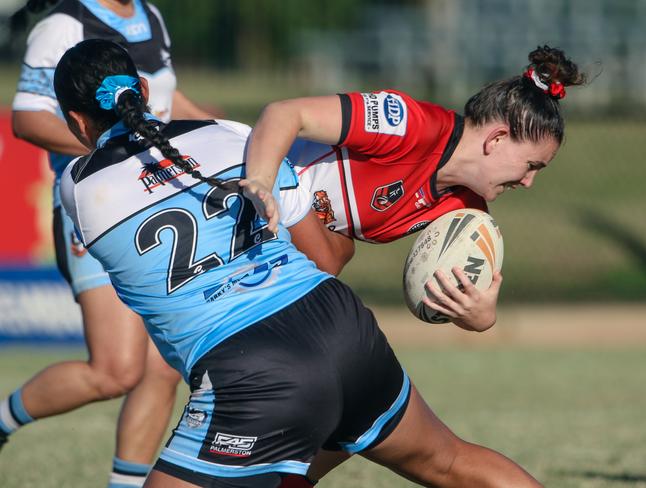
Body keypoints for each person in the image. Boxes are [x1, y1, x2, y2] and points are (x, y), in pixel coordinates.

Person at [55, 38, 543, 488]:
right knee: (449, 461)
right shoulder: (230, 136)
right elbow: (326, 257)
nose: (528, 183)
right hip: (342, 326)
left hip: (251, 367)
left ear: (76, 122)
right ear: (143, 89)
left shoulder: (77, 187)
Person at [0, 1, 214, 486]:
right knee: (115, 371)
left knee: (162, 368)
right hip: (94, 208)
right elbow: (27, 119)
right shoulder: (65, 25)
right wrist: (113, 155)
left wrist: (214, 131)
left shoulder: (151, 17)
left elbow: (162, 100)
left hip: (153, 199)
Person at [245, 45, 586, 334]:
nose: (528, 182)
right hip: (239, 192)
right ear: (496, 139)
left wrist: (481, 317)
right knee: (331, 266)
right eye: (531, 166)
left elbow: (445, 300)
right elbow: (283, 114)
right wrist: (261, 181)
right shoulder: (409, 125)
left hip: (267, 241)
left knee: (333, 263)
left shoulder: (466, 212)